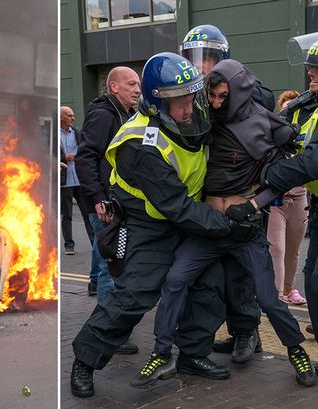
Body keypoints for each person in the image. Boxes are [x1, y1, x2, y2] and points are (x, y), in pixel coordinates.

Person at [70, 52, 255, 398]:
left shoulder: (191, 118)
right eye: (179, 103)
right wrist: (229, 224)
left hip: (186, 219)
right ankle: (85, 360)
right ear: (156, 105)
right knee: (135, 294)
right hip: (149, 224)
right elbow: (177, 207)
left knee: (209, 284)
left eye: (191, 99)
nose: (189, 109)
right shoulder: (139, 144)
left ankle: (193, 354)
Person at [134, 59, 315, 389]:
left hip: (244, 230)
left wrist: (252, 206)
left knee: (269, 298)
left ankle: (296, 351)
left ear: (240, 92)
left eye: (222, 96)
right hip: (207, 226)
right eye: (212, 96)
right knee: (175, 280)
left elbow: (280, 177)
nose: (216, 103)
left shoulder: (265, 125)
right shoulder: (204, 119)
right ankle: (161, 353)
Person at [181, 24, 270, 362]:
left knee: (240, 275)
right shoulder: (195, 94)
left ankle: (248, 333)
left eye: (209, 58)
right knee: (214, 276)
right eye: (194, 58)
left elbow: (263, 100)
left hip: (242, 196)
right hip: (208, 198)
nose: (201, 65)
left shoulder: (242, 85)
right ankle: (234, 333)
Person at [263, 35, 318, 337]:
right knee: (309, 272)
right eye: (310, 68)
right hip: (310, 200)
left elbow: (311, 161)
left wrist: (270, 177)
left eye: (316, 69)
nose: (310, 73)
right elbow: (272, 126)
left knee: (313, 272)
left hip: (299, 193)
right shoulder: (305, 104)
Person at [75, 66, 140, 302]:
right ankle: (108, 330)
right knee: (109, 268)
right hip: (107, 205)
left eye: (138, 85)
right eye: (131, 84)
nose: (137, 89)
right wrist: (98, 199)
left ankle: (114, 323)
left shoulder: (128, 114)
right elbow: (86, 157)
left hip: (121, 203)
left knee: (119, 266)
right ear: (114, 87)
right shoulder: (104, 114)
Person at [267, 91, 308, 305]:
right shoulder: (273, 137)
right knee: (276, 248)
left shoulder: (304, 137)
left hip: (299, 198)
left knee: (293, 250)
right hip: (277, 201)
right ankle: (276, 296)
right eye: (286, 108)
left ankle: (289, 289)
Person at [60, 106, 94, 255]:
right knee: (67, 215)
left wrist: (78, 155)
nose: (73, 118)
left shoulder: (77, 133)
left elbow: (84, 150)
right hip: (65, 181)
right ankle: (69, 245)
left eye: (73, 116)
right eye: (70, 116)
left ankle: (95, 243)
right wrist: (64, 158)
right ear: (62, 117)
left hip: (79, 179)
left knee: (87, 214)